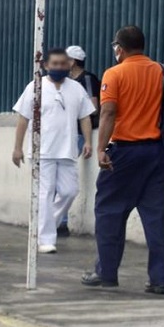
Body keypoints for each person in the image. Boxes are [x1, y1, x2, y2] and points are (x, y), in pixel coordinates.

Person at [81, 26, 164, 295]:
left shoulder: (115, 73)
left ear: (119, 48)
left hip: (125, 152)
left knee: (109, 211)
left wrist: (101, 149)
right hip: (159, 153)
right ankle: (159, 280)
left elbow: (108, 112)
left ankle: (106, 273)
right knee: (157, 216)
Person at [12, 48, 95, 254]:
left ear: (69, 65)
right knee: (45, 194)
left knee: (69, 191)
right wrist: (17, 147)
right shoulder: (35, 87)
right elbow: (23, 118)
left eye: (63, 63)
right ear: (46, 66)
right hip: (42, 151)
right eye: (55, 64)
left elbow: (85, 116)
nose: (59, 67)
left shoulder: (76, 88)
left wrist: (87, 141)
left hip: (67, 150)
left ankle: (43, 226)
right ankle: (46, 239)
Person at [56, 45, 101, 237]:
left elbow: (93, 108)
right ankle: (57, 220)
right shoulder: (64, 82)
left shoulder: (87, 79)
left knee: (63, 176)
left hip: (77, 133)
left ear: (73, 62)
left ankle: (60, 221)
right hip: (62, 132)